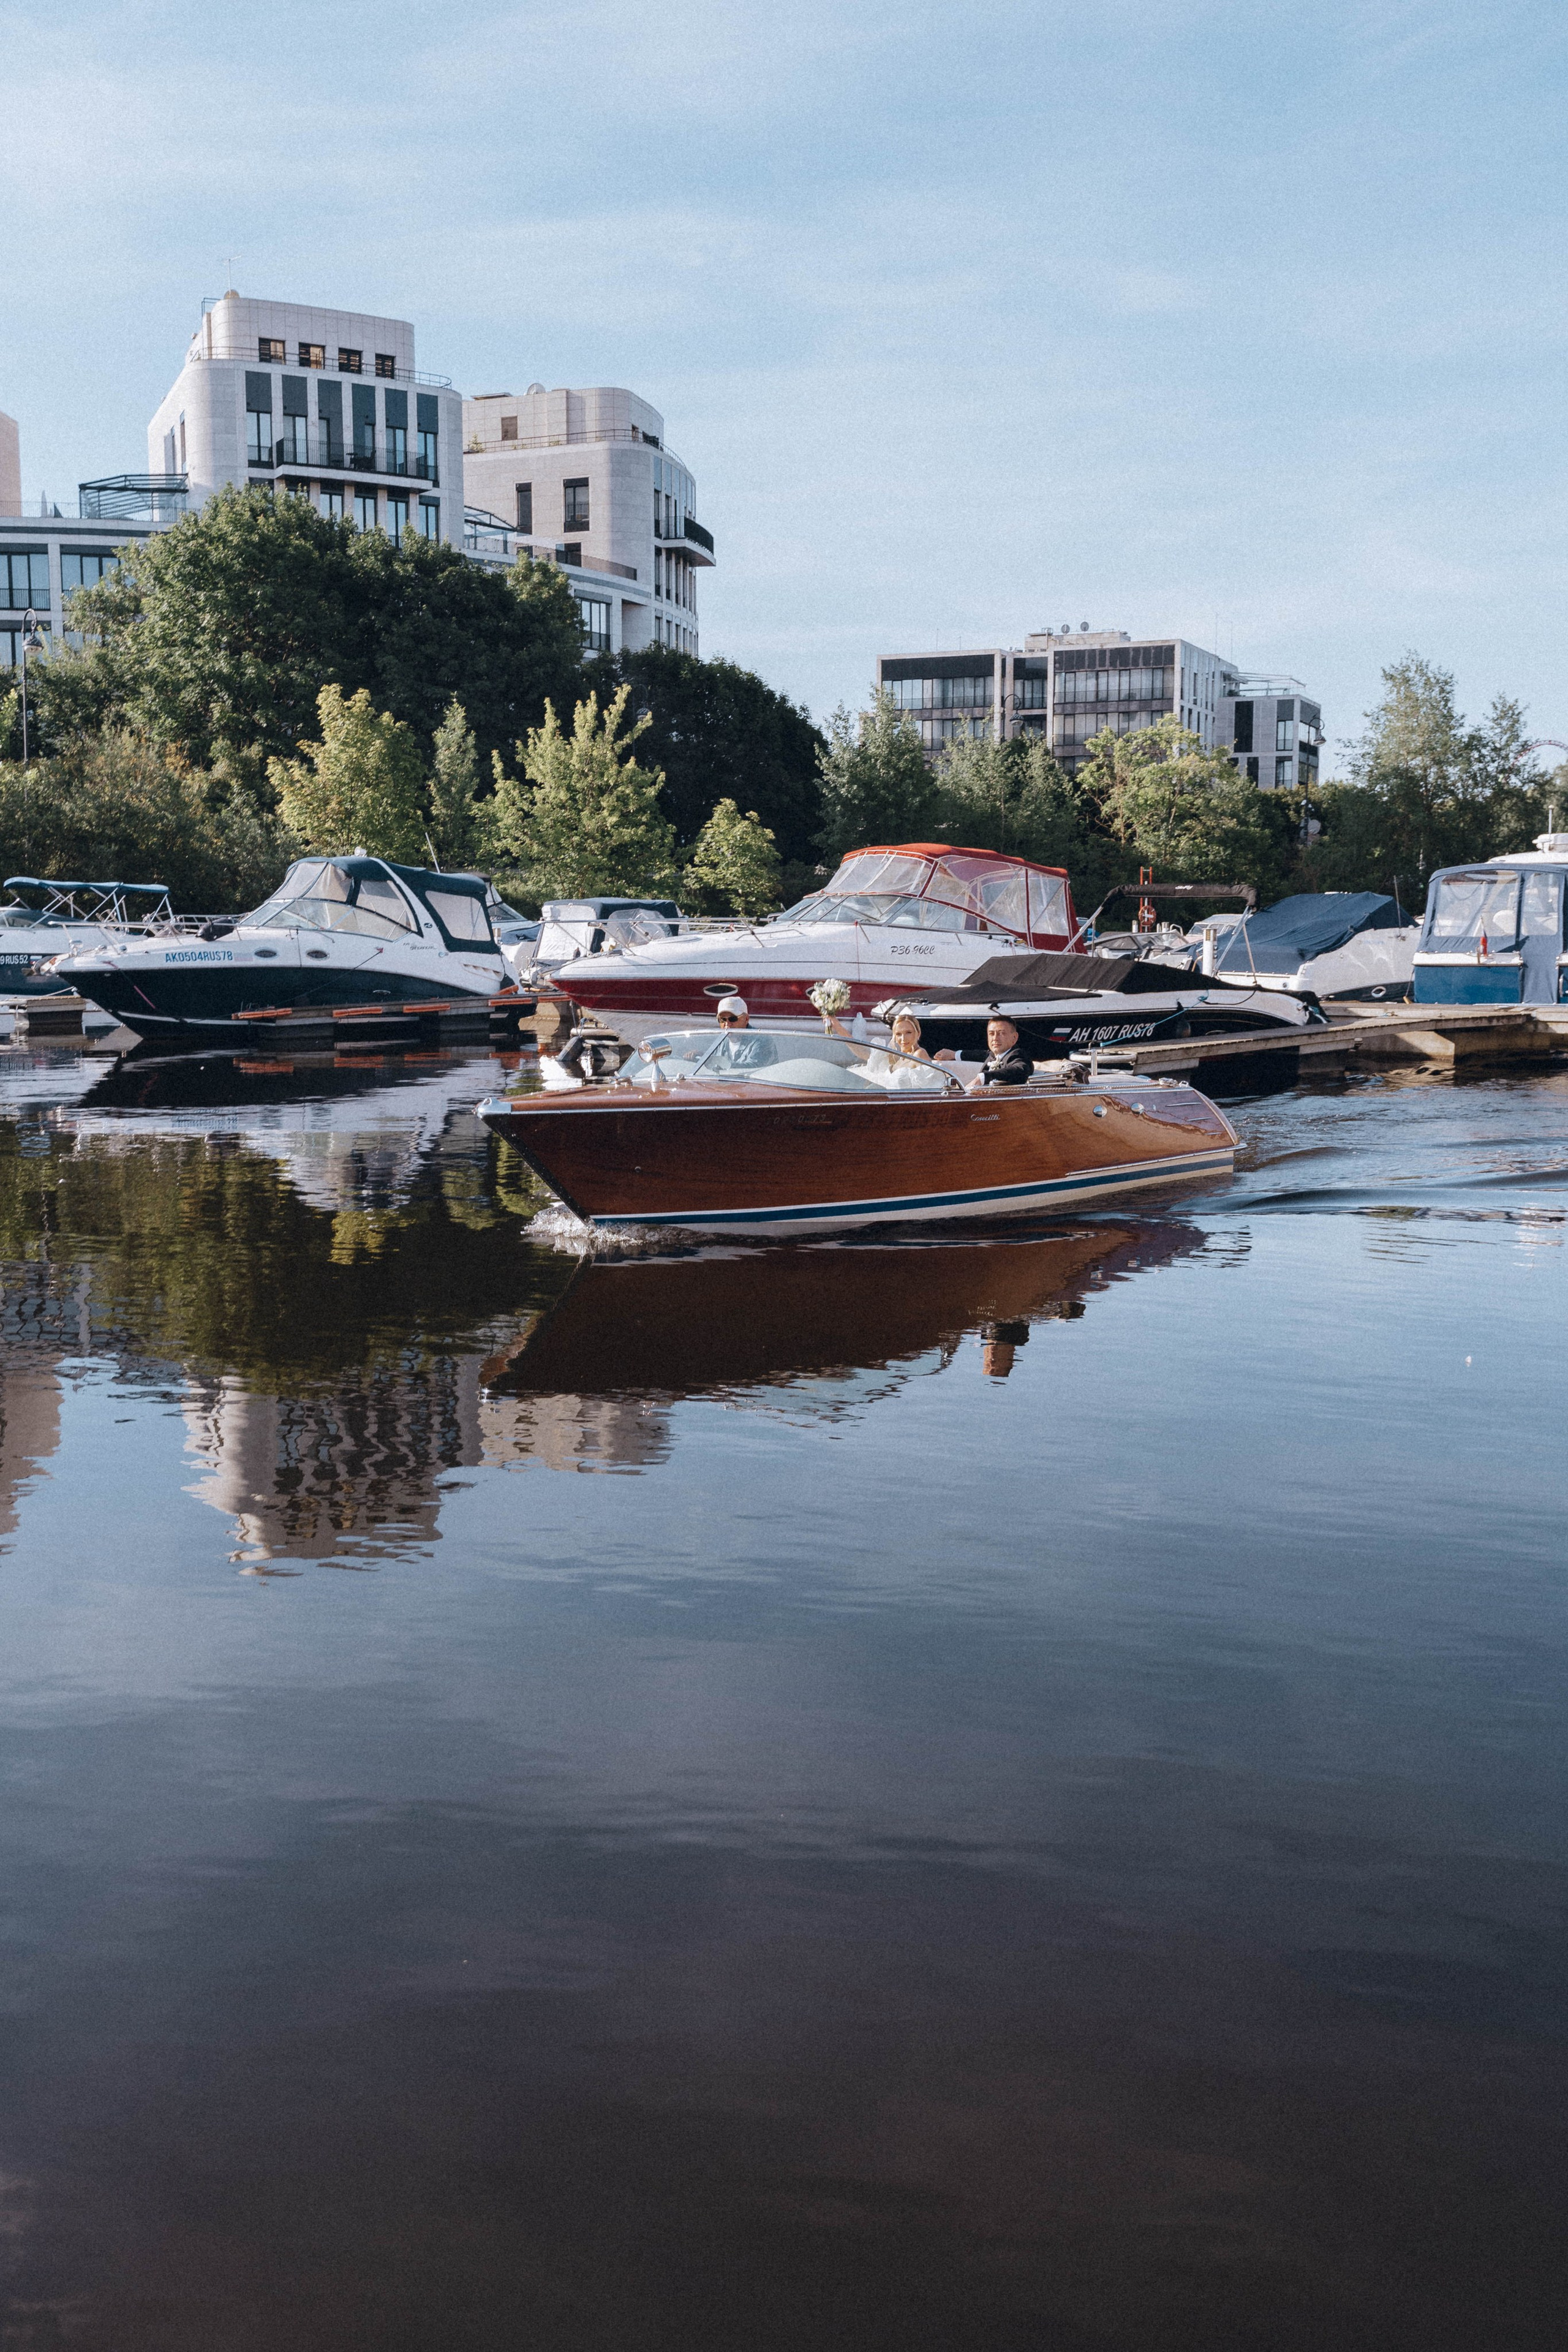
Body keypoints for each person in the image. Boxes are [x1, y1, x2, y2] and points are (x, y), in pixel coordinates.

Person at [968, 1014, 1033, 1094]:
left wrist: (984, 1078)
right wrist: (954, 1054)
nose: (995, 1038)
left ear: (1014, 1038)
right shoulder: (993, 1055)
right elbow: (979, 1055)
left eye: (1001, 1033)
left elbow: (1021, 1070)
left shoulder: (1018, 1054)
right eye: (991, 1034)